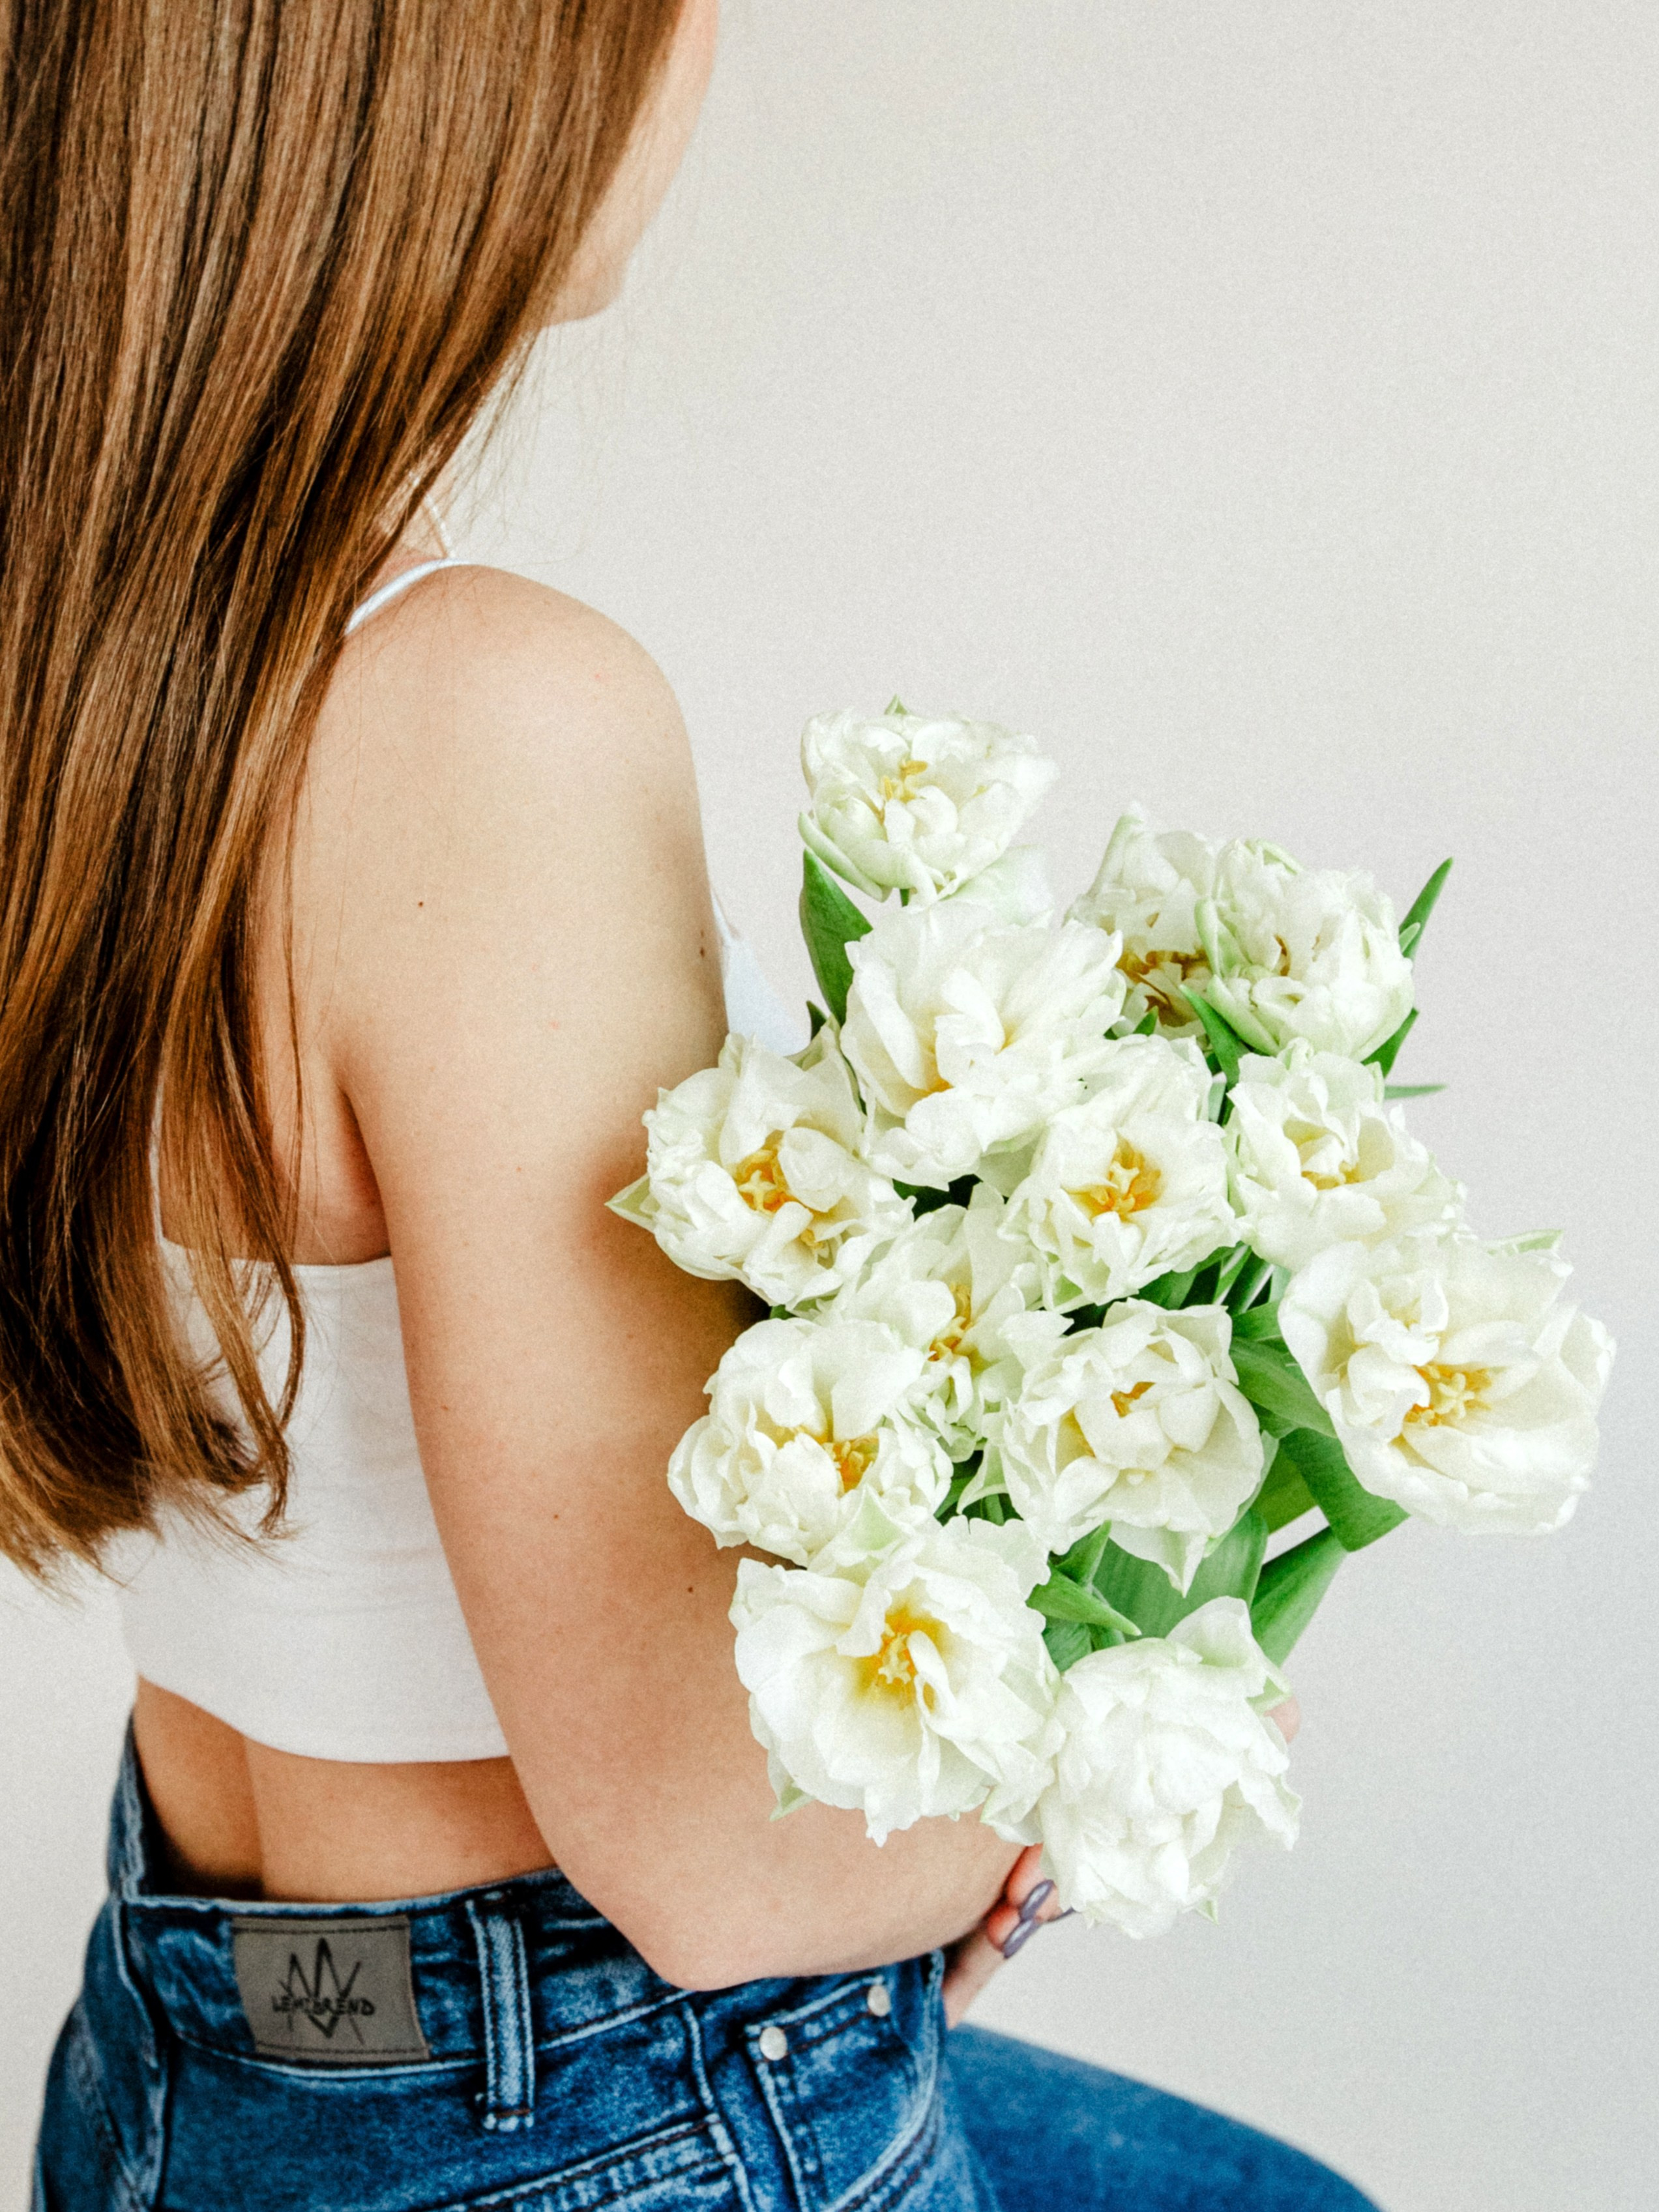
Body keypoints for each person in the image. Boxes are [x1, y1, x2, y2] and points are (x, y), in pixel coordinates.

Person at [3, 3, 1376, 2205]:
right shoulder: (479, 716)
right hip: (580, 2098)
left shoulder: (80, 690)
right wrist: (1089, 1759)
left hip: (199, 2050)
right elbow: (710, 1864)